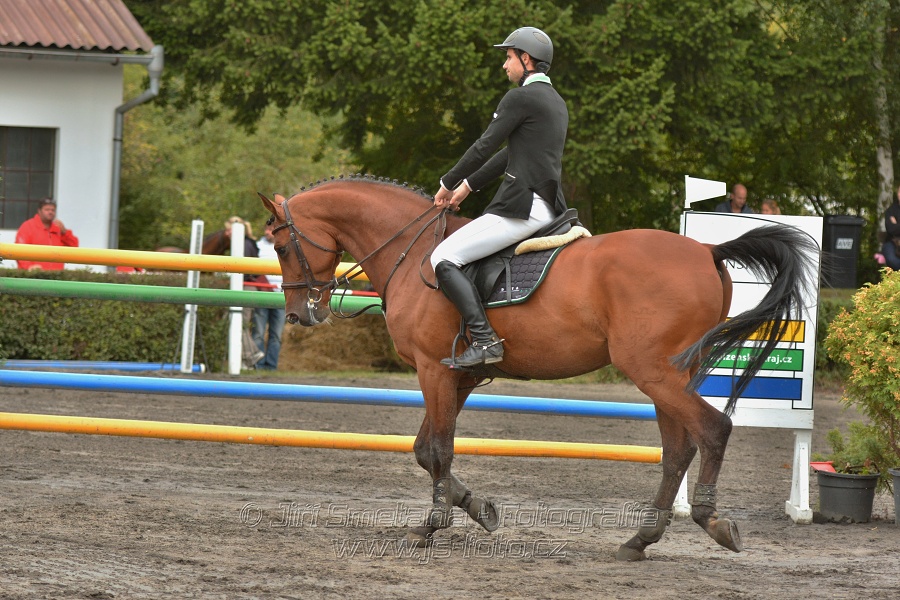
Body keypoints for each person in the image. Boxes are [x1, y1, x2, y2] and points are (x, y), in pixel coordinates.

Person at [431, 26, 568, 368]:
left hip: (523, 207)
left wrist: (447, 183)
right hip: (550, 206)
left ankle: (485, 339)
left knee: (443, 256)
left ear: (526, 59)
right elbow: (511, 154)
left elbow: (484, 145)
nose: (505, 66)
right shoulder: (555, 102)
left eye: (508, 58)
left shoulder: (520, 97)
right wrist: (468, 186)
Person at [251, 221, 286, 370]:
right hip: (262, 294)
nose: (267, 232)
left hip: (280, 295)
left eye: (271, 229)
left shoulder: (285, 246)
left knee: (276, 335)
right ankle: (258, 364)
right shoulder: (257, 247)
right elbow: (253, 270)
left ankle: (271, 366)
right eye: (266, 229)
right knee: (258, 332)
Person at [14, 197, 79, 270]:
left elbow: (74, 247)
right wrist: (29, 267)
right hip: (34, 276)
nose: (50, 212)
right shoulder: (27, 227)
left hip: (55, 277)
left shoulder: (58, 229)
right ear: (39, 211)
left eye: (53, 210)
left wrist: (65, 232)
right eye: (47, 209)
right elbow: (19, 252)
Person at [880, 186, 900, 270]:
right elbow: (891, 229)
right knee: (892, 260)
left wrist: (896, 224)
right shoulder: (891, 210)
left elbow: (895, 228)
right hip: (892, 242)